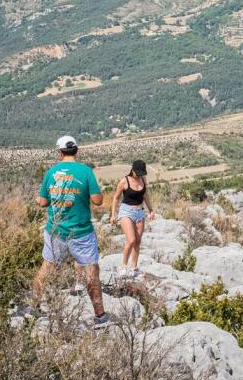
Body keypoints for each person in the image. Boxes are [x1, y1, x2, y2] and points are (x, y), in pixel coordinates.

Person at [32, 135, 110, 327]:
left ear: (60, 152)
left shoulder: (51, 172)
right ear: (77, 150)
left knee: (46, 267)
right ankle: (100, 317)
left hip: (56, 231)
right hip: (81, 231)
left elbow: (43, 202)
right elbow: (98, 200)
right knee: (91, 271)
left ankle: (34, 306)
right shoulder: (85, 171)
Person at [112, 159, 155, 278]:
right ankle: (123, 266)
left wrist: (150, 209)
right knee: (131, 240)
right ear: (132, 170)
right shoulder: (124, 181)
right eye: (138, 173)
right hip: (126, 212)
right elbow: (116, 198)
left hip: (140, 212)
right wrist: (113, 214)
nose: (140, 175)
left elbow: (145, 194)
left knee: (137, 241)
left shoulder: (143, 179)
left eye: (142, 173)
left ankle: (134, 268)